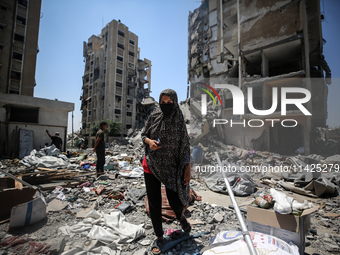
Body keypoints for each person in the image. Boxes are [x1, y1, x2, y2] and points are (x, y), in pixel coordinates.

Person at [141, 89, 191, 254]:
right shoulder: (154, 117)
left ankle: (181, 218)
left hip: (172, 167)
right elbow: (144, 135)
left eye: (169, 103)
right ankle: (160, 236)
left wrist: (187, 167)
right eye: (163, 103)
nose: (166, 106)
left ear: (175, 103)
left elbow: (184, 144)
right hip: (152, 164)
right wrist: (150, 142)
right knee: (154, 203)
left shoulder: (178, 119)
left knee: (175, 199)